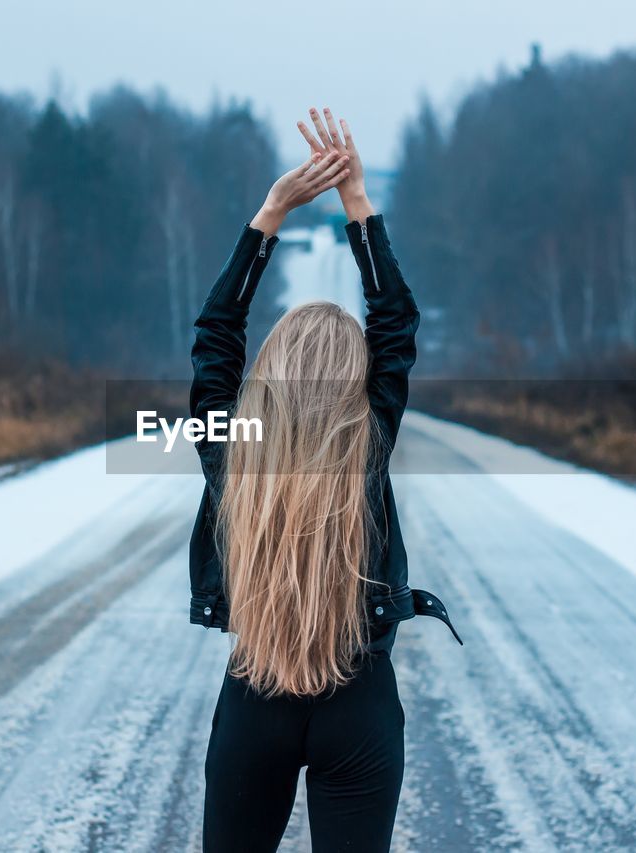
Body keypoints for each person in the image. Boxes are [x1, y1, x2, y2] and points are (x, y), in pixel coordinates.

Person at [188, 107, 463, 853]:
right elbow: (395, 322)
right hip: (359, 704)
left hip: (256, 697)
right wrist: (358, 203)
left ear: (267, 380)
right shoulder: (365, 440)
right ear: (354, 382)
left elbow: (215, 339)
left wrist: (270, 214)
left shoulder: (235, 450)